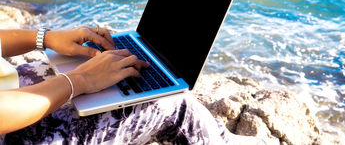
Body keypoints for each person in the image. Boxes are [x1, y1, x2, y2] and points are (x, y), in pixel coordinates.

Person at [0, 26, 265, 144]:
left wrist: (46, 38)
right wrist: (81, 79)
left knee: (99, 55)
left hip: (13, 92)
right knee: (170, 103)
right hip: (14, 126)